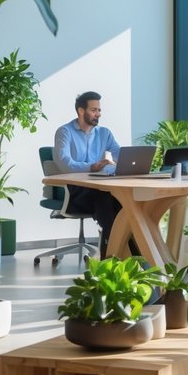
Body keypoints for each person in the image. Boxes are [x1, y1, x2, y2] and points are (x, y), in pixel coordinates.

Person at [53, 91, 122, 253]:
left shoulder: (104, 133)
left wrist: (126, 164)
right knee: (106, 197)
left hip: (97, 189)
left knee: (121, 199)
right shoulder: (65, 132)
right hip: (74, 192)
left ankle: (121, 252)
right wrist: (92, 167)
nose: (98, 114)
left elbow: (120, 156)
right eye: (93, 110)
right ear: (81, 111)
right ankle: (113, 253)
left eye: (99, 110)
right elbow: (64, 164)